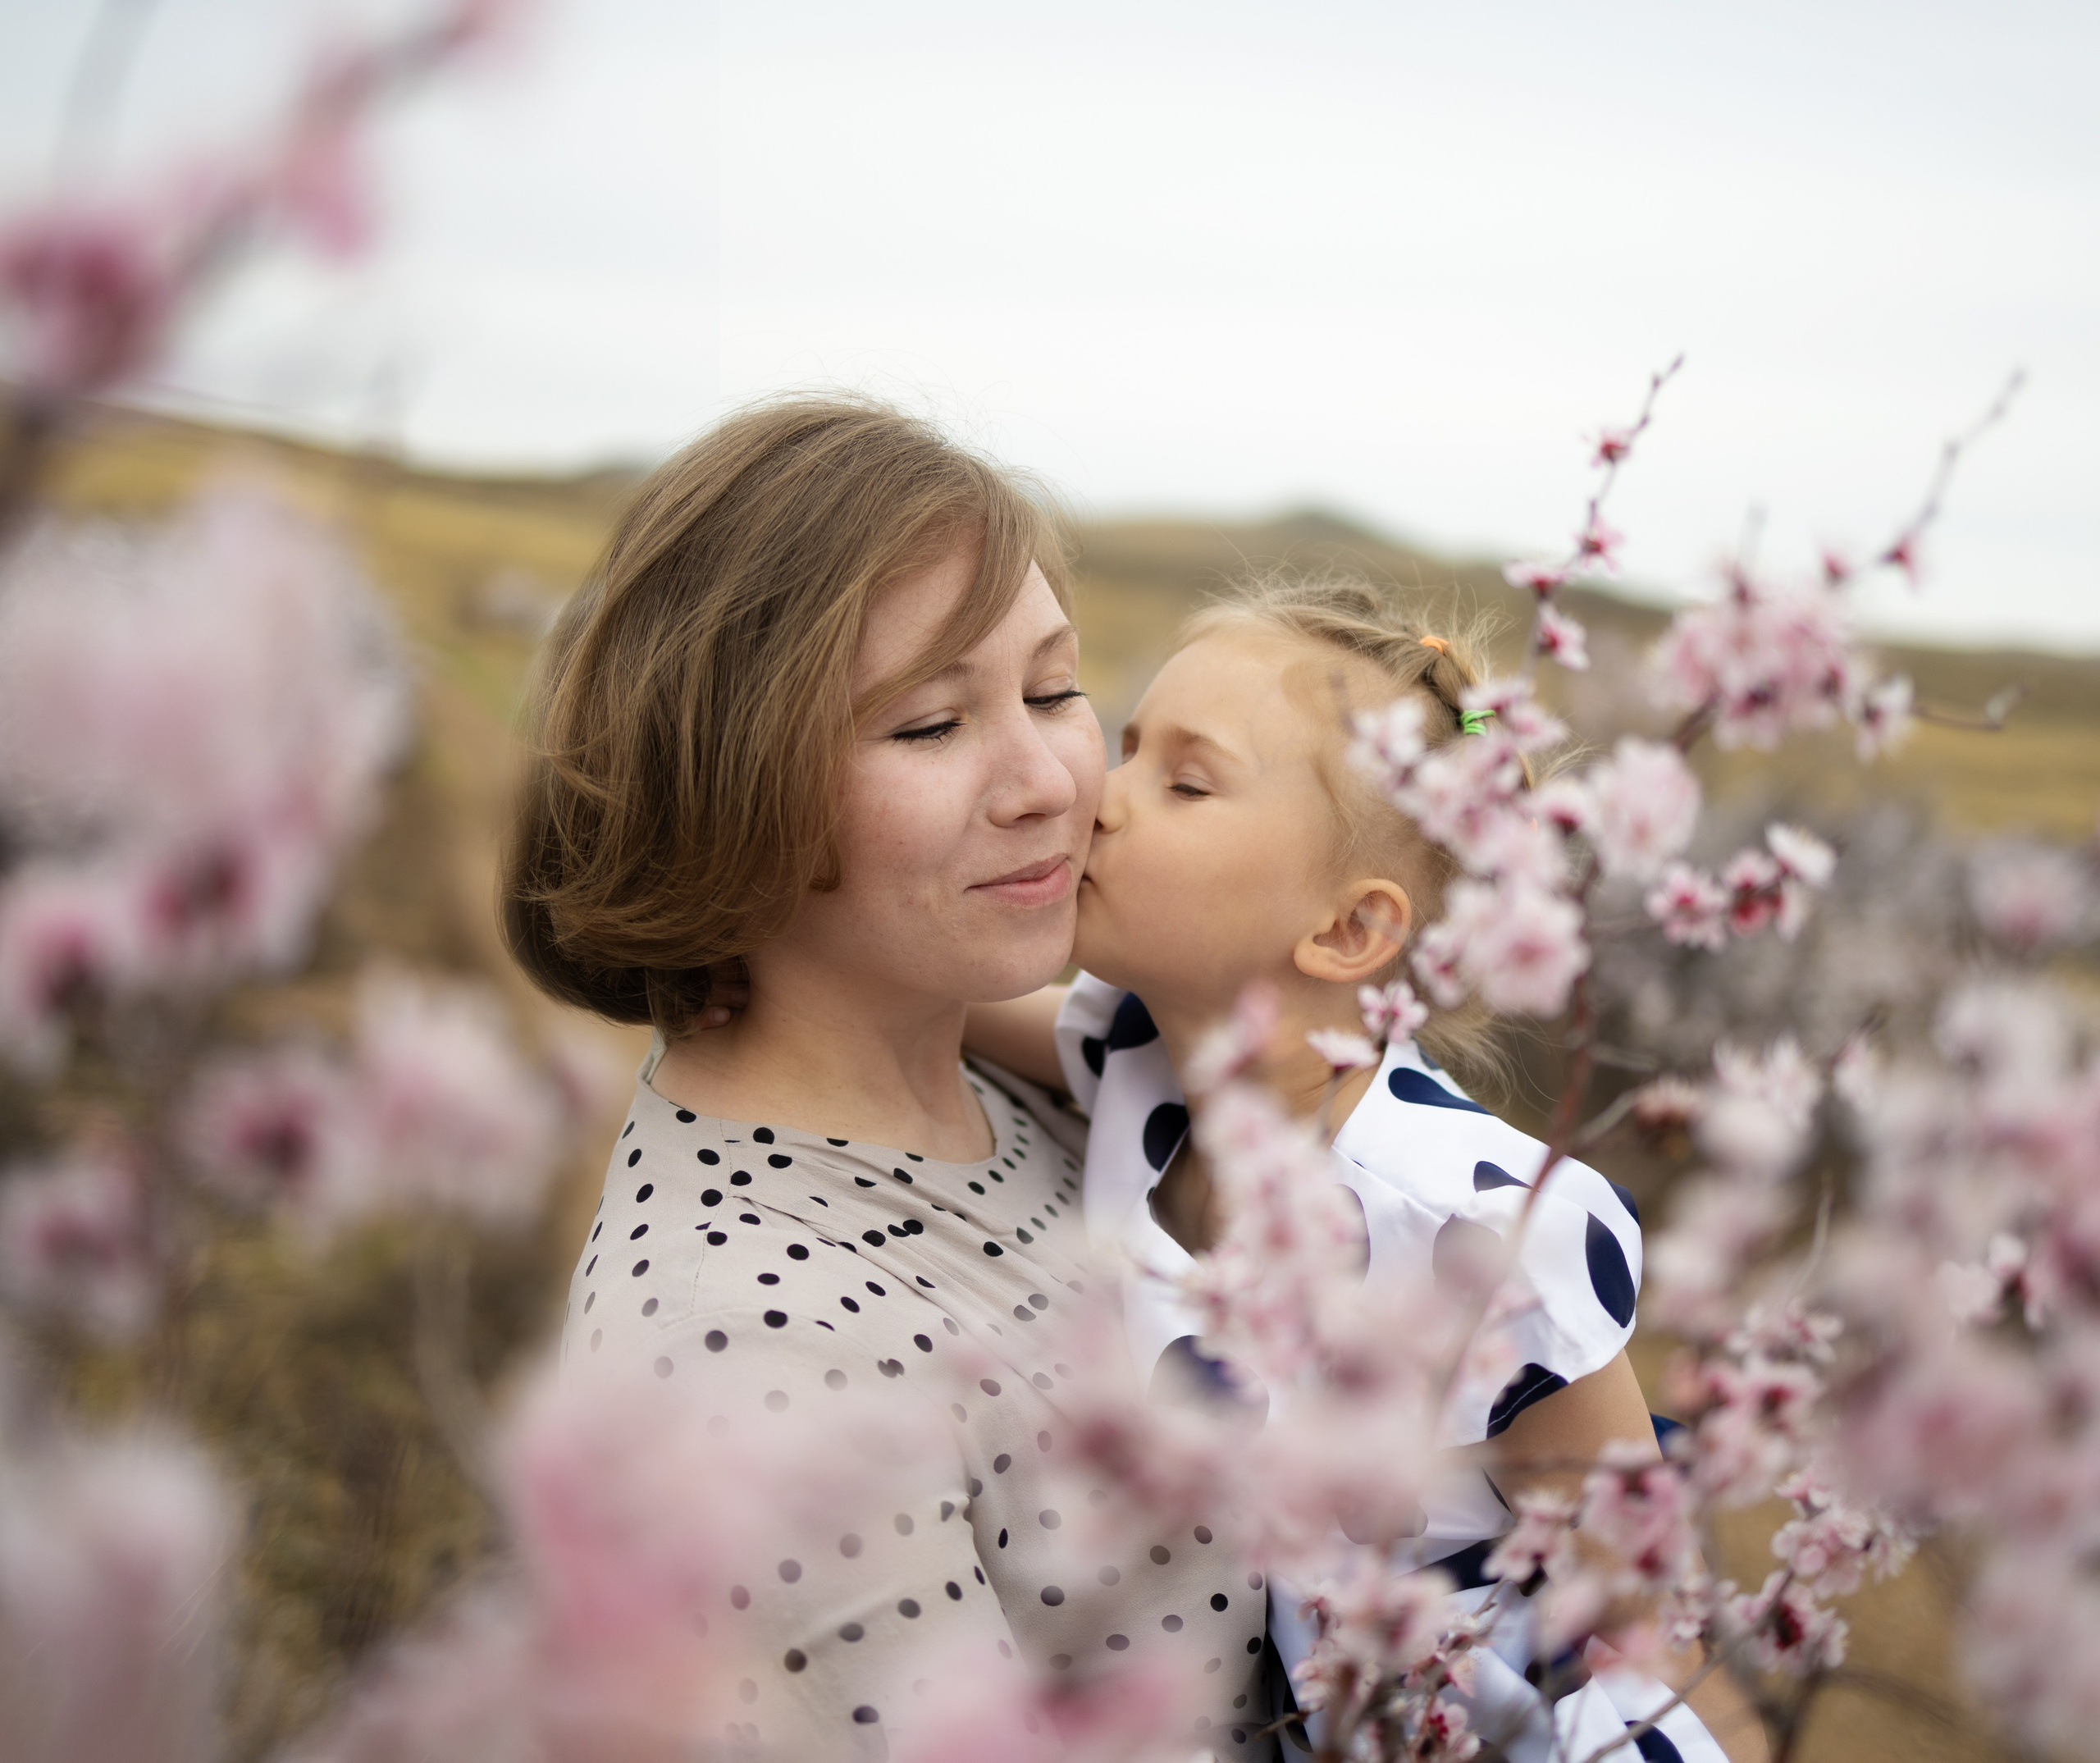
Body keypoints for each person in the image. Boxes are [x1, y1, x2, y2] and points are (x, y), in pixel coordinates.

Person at [502, 398, 1275, 1759]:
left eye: (1054, 691)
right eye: (929, 724)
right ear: (730, 786)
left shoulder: (1030, 1071)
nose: (1052, 783)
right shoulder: (753, 1353)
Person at [965, 575, 1769, 1762]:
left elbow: (1641, 1599)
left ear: (1348, 931)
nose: (1099, 797)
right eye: (1128, 749)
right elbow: (947, 1003)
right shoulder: (1135, 1049)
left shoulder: (1472, 1226)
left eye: (1185, 782)